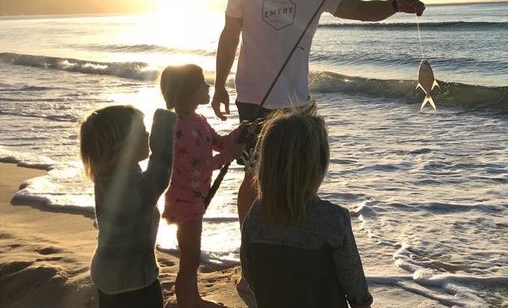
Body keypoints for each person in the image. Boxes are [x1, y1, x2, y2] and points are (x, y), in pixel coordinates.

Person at [210, 0, 426, 292]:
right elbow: (229, 35)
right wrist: (219, 84)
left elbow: (359, 10)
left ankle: (290, 251)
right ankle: (252, 263)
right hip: (254, 98)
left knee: (301, 183)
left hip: (298, 102)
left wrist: (395, 4)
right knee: (254, 178)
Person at [240, 103, 373, 308]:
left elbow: (250, 271)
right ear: (318, 165)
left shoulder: (256, 213)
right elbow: (355, 288)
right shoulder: (333, 220)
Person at [159, 64, 246, 308]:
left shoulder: (198, 120)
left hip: (194, 198)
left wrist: (240, 132)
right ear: (188, 90)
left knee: (191, 255)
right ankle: (189, 301)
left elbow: (218, 142)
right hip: (184, 200)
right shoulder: (182, 126)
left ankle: (190, 298)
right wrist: (229, 155)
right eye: (202, 83)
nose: (208, 86)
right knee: (190, 257)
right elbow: (198, 166)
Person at [80, 105, 177, 308]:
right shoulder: (129, 184)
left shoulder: (107, 175)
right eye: (142, 132)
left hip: (108, 274)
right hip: (132, 281)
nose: (148, 135)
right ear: (125, 144)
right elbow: (160, 171)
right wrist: (165, 121)